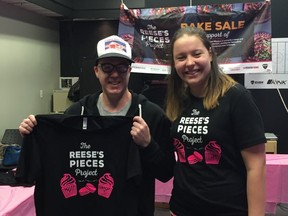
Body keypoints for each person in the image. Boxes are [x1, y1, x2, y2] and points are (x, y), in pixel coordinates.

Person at [18, 35, 175, 216]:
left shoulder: (151, 114)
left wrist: (148, 145)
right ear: (96, 71)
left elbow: (166, 173)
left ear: (130, 70)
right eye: (107, 67)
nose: (115, 74)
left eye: (121, 67)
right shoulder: (77, 112)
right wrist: (33, 132)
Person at [165, 27, 266, 216]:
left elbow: (256, 166)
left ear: (210, 54)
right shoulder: (178, 99)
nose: (189, 63)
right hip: (182, 207)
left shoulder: (236, 97)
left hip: (228, 209)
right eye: (181, 57)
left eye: (196, 54)